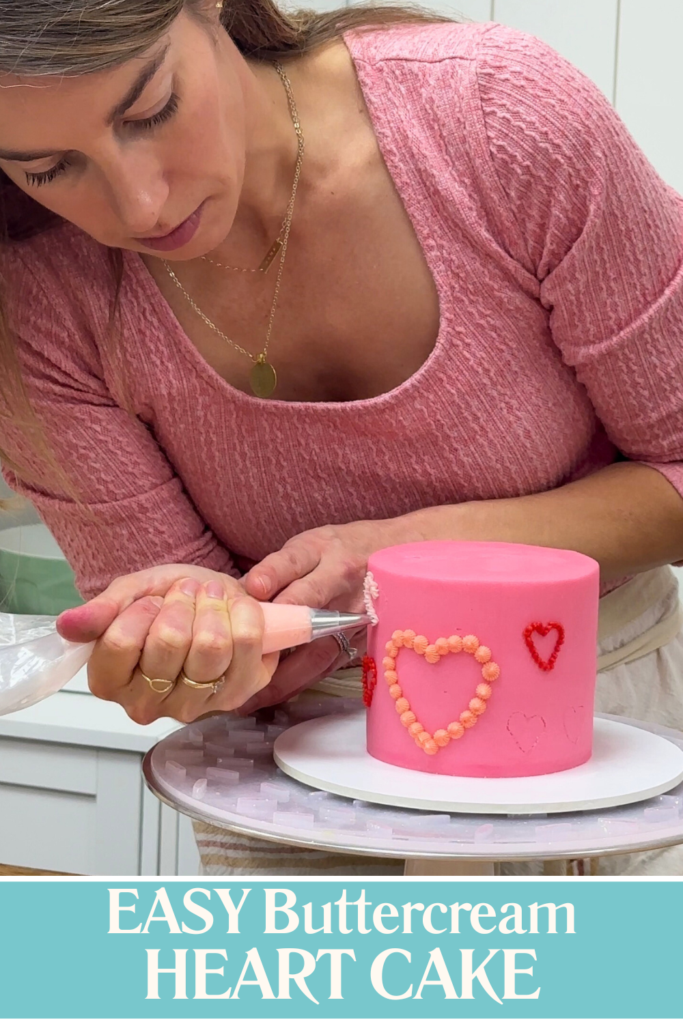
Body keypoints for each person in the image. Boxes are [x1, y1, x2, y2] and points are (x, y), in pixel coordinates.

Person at [1, 0, 682, 876]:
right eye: (50, 168)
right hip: (292, 794)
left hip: (602, 739)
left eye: (151, 109)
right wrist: (188, 639)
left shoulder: (495, 120)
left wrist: (397, 554)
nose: (139, 203)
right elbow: (249, 669)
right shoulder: (36, 303)